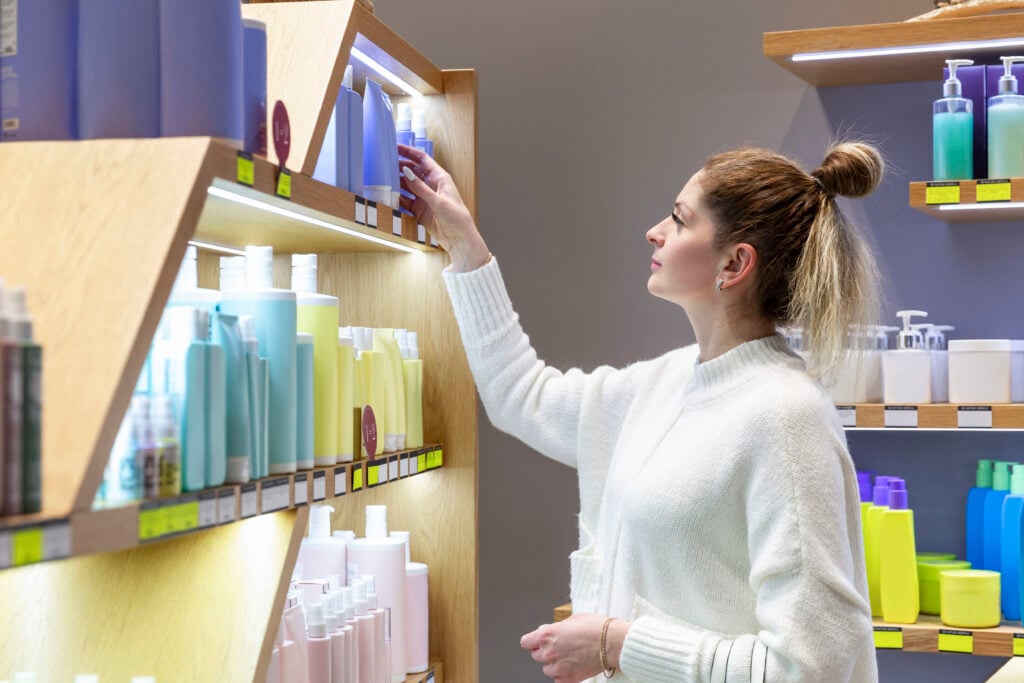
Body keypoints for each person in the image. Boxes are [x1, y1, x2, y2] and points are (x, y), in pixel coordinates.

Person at [399, 140, 883, 682]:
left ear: (734, 262)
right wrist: (466, 250)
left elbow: (810, 668)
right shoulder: (666, 381)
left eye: (679, 220)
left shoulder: (787, 418)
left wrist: (617, 645)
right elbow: (521, 395)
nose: (655, 231)